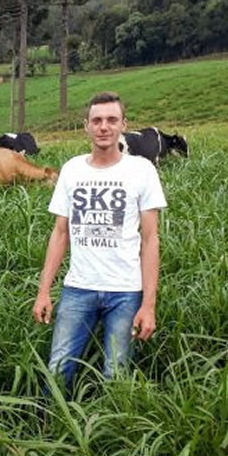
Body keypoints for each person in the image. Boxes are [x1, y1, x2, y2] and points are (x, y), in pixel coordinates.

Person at [33, 92, 167, 392]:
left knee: (116, 375)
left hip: (125, 292)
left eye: (111, 120)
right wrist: (44, 291)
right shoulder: (72, 170)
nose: (103, 127)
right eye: (97, 120)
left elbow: (150, 240)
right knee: (57, 369)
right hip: (77, 288)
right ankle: (50, 428)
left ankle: (112, 435)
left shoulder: (142, 170)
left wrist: (149, 304)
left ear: (123, 125)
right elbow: (59, 233)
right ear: (86, 126)